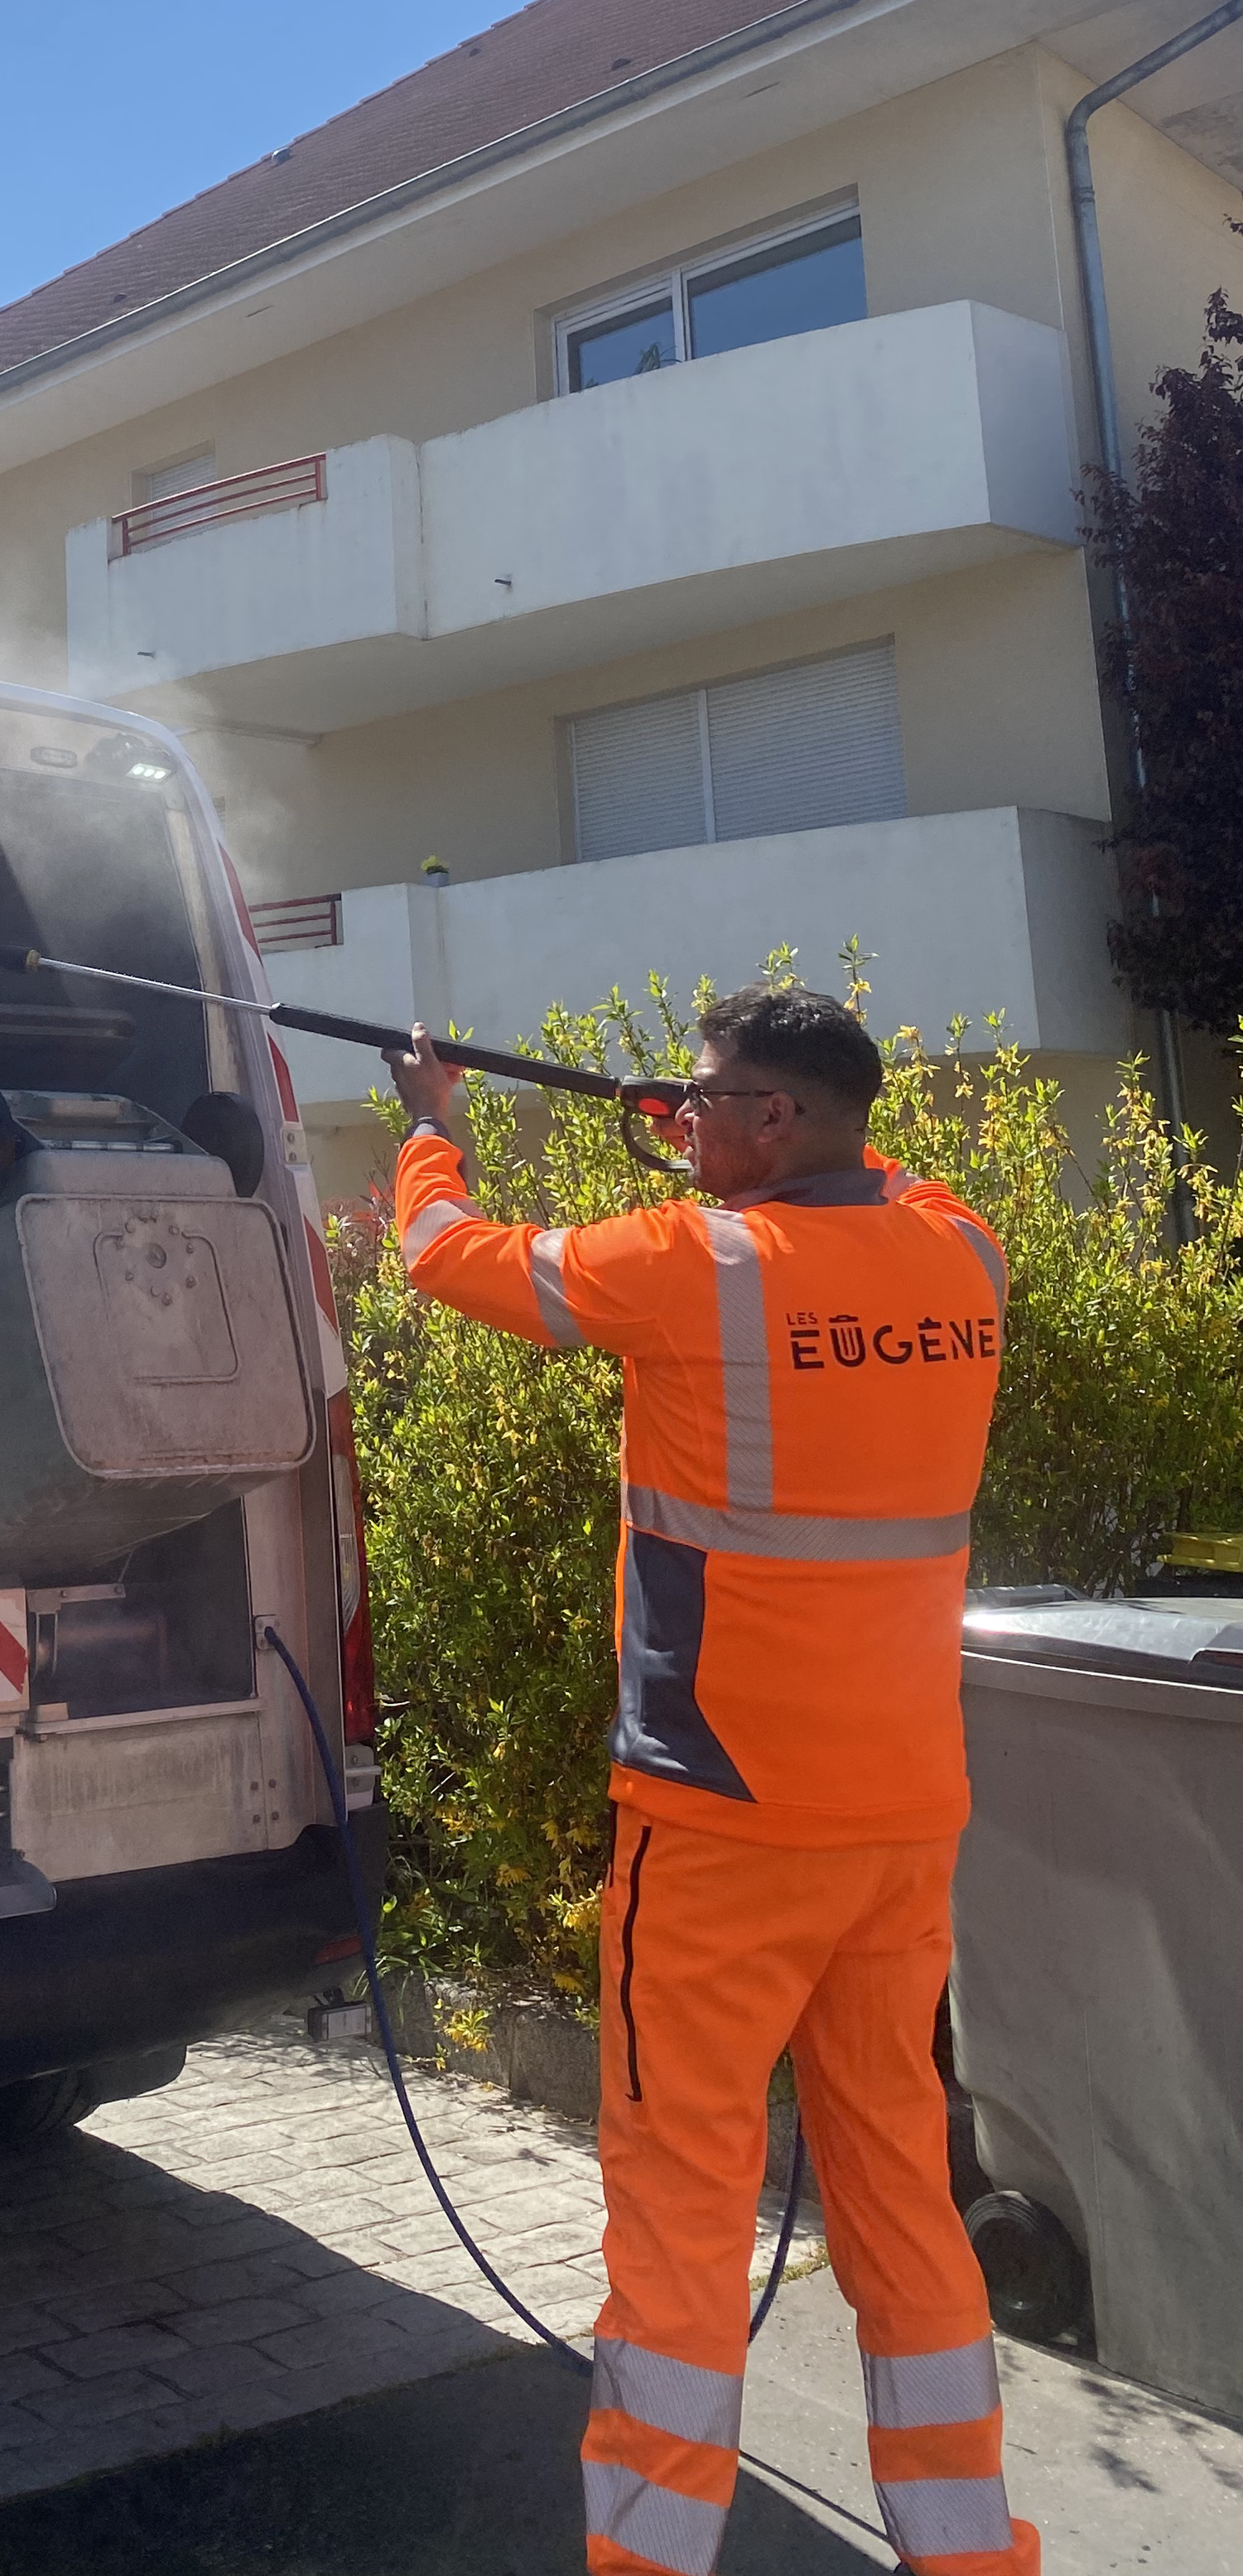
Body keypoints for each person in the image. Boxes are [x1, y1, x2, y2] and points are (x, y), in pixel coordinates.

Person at [386, 984, 1038, 2576]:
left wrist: (430, 1125)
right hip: (898, 1824)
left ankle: (650, 2559)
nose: (685, 1115)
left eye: (711, 1096)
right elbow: (847, 1204)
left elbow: (446, 1258)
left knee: (683, 2206)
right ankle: (966, 2552)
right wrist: (694, 1134)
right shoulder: (961, 1250)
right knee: (898, 2185)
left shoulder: (687, 1270)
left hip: (723, 1824)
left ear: (777, 1121)